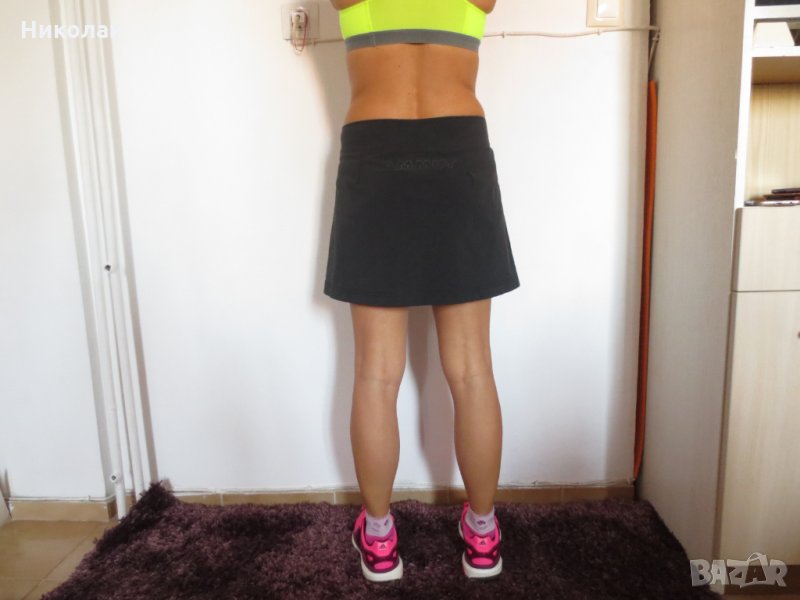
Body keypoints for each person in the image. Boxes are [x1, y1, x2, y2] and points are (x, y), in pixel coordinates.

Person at [325, 0, 519, 583]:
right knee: (473, 370)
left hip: (375, 147)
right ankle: (482, 534)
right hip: (458, 146)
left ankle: (380, 538)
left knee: (374, 373)